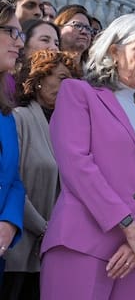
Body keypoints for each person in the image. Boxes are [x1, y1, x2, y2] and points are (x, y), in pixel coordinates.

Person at [39, 12, 135, 299]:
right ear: (114, 51)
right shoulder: (78, 93)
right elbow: (77, 165)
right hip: (81, 245)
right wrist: (130, 229)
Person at [1, 50, 79, 299]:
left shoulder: (69, 129)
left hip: (50, 253)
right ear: (39, 79)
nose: (68, 86)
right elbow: (12, 182)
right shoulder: (18, 118)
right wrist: (45, 228)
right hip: (16, 247)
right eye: (61, 78)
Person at [0, 2, 26, 289]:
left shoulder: (6, 113)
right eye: (11, 32)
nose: (20, 43)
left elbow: (14, 180)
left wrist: (9, 222)